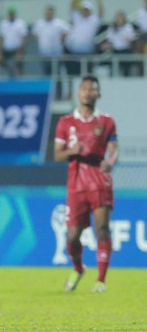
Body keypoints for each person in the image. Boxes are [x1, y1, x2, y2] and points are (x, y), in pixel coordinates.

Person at [54, 75, 118, 293]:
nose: (88, 92)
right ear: (78, 93)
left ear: (98, 94)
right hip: (76, 184)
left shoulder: (107, 121)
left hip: (100, 181)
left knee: (102, 228)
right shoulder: (65, 122)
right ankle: (79, 268)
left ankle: (101, 280)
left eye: (92, 89)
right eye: (84, 88)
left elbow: (113, 150)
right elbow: (57, 155)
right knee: (72, 237)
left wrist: (110, 162)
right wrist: (73, 151)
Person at [0, 6, 28, 78]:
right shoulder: (3, 23)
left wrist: (21, 51)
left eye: (12, 14)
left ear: (14, 14)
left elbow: (24, 38)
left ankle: (20, 75)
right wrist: (0, 52)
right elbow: (1, 38)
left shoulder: (20, 23)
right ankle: (10, 68)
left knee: (18, 60)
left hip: (17, 49)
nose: (11, 15)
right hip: (7, 49)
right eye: (10, 14)